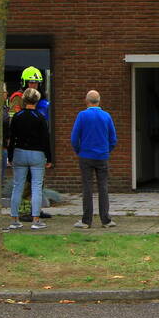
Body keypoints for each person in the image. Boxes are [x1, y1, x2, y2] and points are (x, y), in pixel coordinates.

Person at [6, 87, 52, 230]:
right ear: (37, 100)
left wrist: (10, 156)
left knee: (17, 186)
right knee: (37, 186)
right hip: (37, 154)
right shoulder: (40, 118)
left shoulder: (17, 117)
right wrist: (49, 158)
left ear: (24, 100)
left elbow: (12, 138)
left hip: (19, 152)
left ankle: (14, 219)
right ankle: (36, 220)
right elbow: (45, 139)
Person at [70, 89, 117, 228]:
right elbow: (113, 138)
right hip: (102, 156)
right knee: (103, 187)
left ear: (87, 101)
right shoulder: (106, 116)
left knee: (87, 188)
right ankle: (106, 220)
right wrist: (106, 150)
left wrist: (79, 150)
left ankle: (86, 221)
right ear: (99, 101)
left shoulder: (82, 116)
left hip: (85, 156)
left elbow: (74, 138)